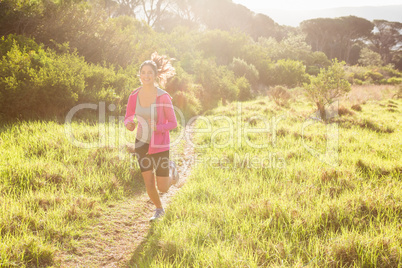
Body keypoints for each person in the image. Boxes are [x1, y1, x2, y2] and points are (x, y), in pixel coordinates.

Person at [124, 52, 179, 221]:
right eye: (143, 73)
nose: (146, 76)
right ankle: (159, 209)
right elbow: (128, 116)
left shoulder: (163, 96)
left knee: (163, 187)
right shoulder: (134, 95)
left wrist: (159, 127)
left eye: (150, 73)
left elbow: (173, 123)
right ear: (139, 75)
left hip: (160, 145)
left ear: (155, 76)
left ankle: (172, 171)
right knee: (148, 181)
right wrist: (130, 124)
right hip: (141, 143)